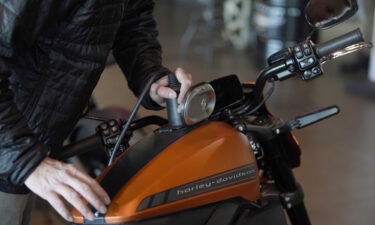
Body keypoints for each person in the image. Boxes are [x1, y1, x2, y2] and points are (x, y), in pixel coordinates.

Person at [0, 0, 193, 224]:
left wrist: (150, 76)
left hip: (33, 142)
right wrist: (27, 161)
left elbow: (133, 21)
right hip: (10, 150)